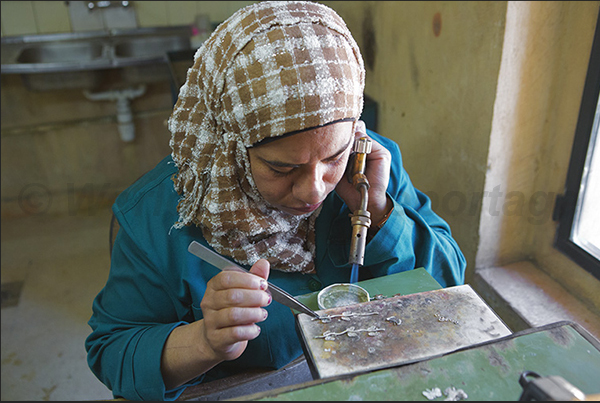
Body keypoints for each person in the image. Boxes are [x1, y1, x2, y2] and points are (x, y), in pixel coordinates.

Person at [85, 1, 466, 400]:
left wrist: (379, 212)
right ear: (230, 144)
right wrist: (204, 342)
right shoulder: (155, 217)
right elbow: (112, 352)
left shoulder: (367, 167)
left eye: (332, 157)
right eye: (282, 169)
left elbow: (450, 283)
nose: (315, 190)